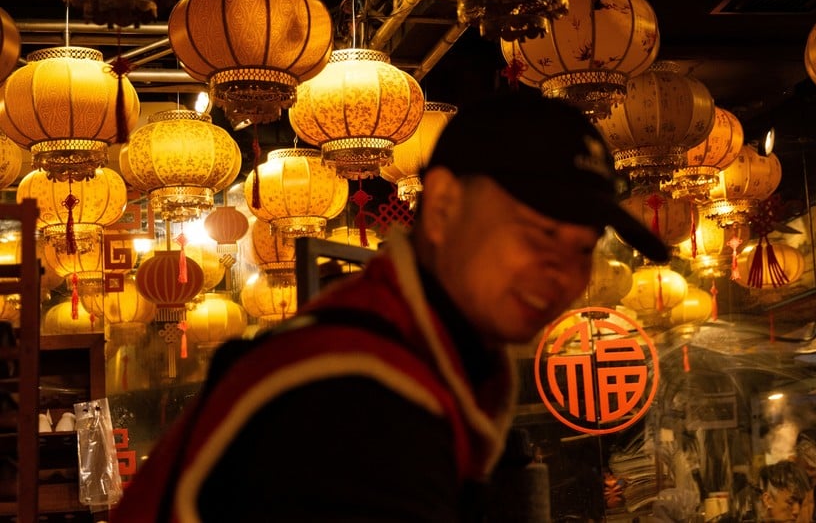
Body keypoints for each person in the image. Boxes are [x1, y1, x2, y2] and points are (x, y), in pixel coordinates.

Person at [112, 90, 669, 522]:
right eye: (539, 233)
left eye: (581, 248)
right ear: (446, 205)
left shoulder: (410, 353)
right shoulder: (359, 396)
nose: (564, 275)